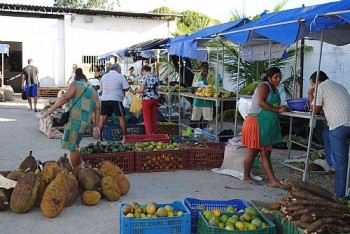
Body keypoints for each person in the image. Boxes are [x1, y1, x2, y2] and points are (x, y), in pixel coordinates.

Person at [44, 68, 101, 168]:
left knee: (73, 147)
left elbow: (65, 98)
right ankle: (81, 166)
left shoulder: (75, 84)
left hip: (74, 120)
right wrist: (96, 126)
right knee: (76, 145)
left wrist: (51, 110)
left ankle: (77, 171)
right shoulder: (93, 91)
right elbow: (98, 109)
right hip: (84, 122)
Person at [242, 67, 288, 187]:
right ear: (269, 78)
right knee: (253, 152)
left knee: (265, 153)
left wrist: (283, 107)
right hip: (256, 123)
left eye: (279, 77)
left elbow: (275, 104)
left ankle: (272, 181)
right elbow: (261, 103)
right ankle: (246, 177)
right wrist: (277, 109)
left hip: (266, 124)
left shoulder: (276, 90)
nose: (278, 79)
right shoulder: (264, 86)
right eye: (275, 77)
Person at [307, 70, 350, 197]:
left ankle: (340, 196)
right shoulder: (339, 86)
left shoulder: (321, 87)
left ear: (317, 82)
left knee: (341, 164)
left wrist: (310, 94)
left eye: (312, 85)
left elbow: (314, 110)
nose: (313, 88)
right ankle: (331, 164)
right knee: (326, 133)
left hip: (339, 127)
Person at [99, 63, 130, 136]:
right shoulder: (120, 76)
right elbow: (126, 88)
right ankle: (125, 137)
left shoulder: (104, 76)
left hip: (104, 99)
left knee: (102, 118)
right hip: (116, 99)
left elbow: (101, 88)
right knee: (121, 118)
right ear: (118, 69)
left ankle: (99, 136)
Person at [132, 65, 159, 134]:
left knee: (147, 119)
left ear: (144, 70)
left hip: (147, 100)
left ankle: (149, 134)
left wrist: (134, 91)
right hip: (155, 99)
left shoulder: (144, 77)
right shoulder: (156, 77)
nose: (142, 73)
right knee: (153, 118)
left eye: (142, 72)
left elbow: (141, 90)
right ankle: (155, 133)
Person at [191, 61, 215, 129]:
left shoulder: (212, 75)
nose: (204, 69)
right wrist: (195, 87)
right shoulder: (197, 75)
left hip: (207, 100)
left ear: (208, 68)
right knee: (195, 117)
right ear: (200, 68)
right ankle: (193, 131)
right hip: (198, 99)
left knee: (206, 117)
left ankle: (201, 131)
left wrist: (207, 87)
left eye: (206, 68)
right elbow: (193, 84)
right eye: (203, 68)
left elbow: (214, 86)